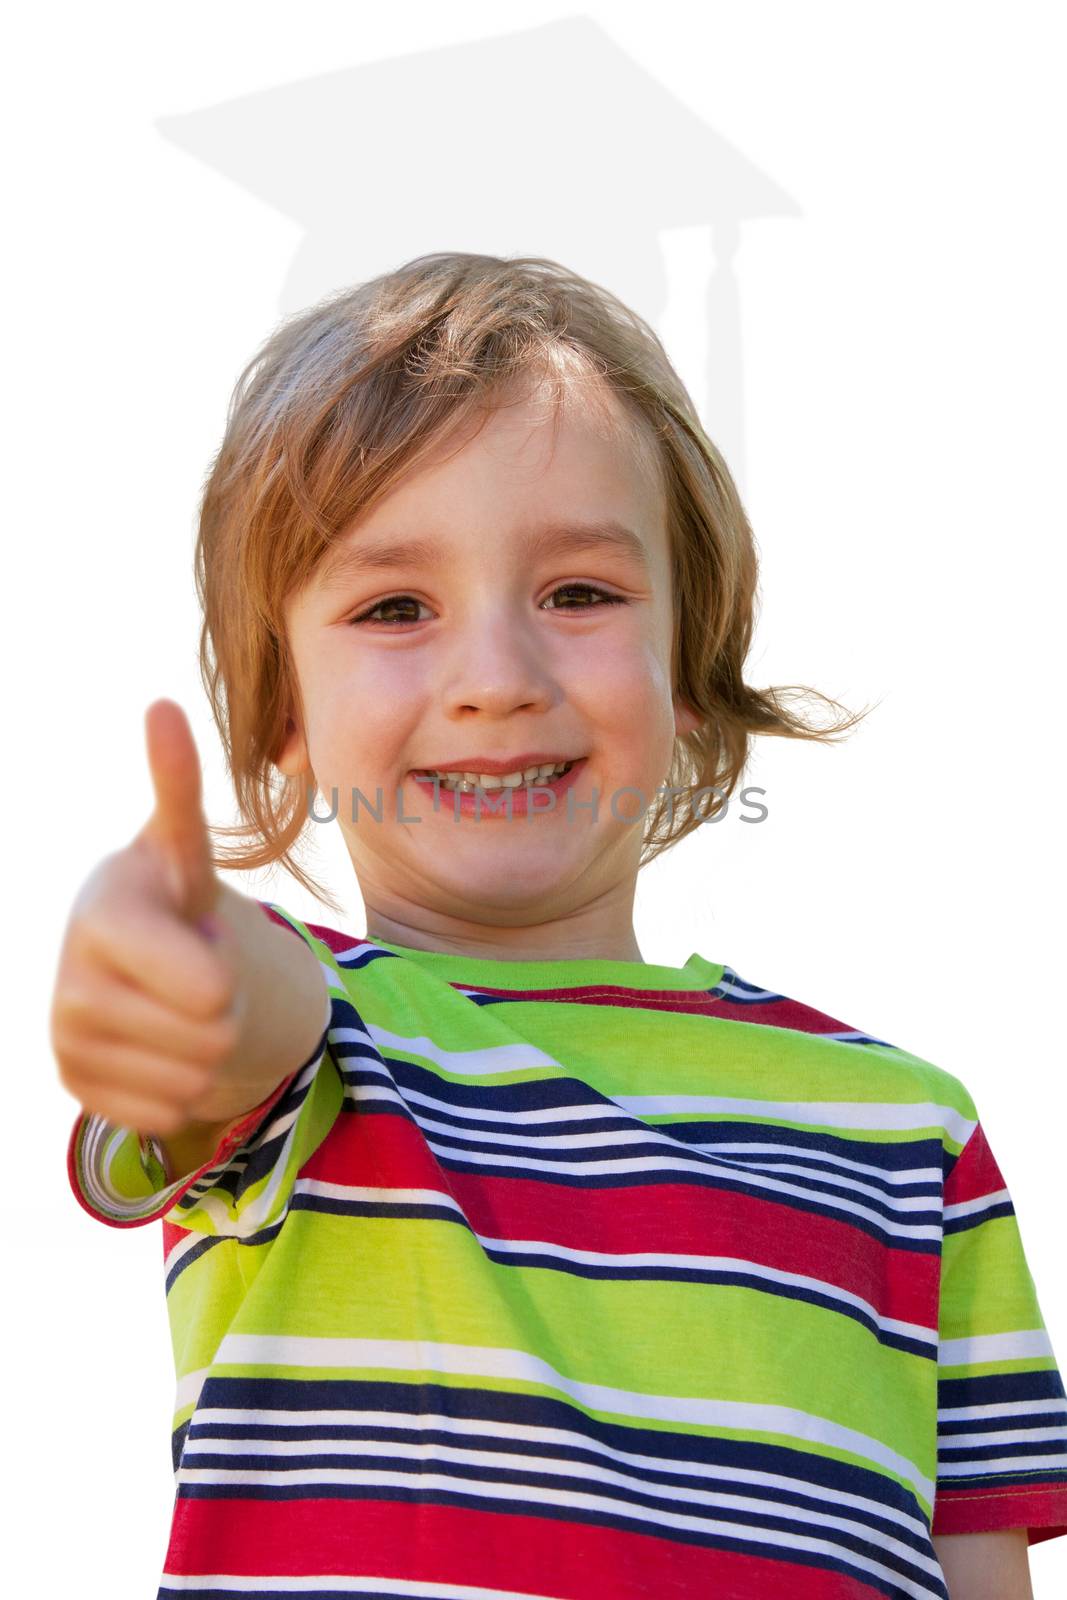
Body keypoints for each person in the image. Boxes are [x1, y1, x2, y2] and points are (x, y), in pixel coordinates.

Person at [51, 253, 1065, 1599]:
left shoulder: (909, 1130)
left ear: (689, 668)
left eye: (579, 595)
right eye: (395, 608)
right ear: (282, 713)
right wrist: (162, 963)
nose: (497, 681)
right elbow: (230, 1023)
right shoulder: (315, 1049)